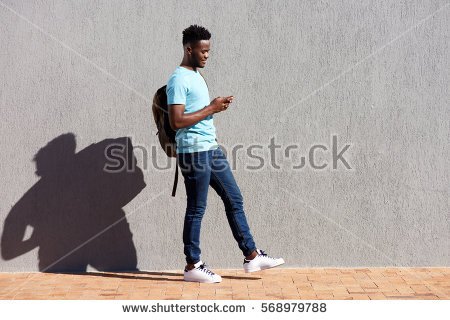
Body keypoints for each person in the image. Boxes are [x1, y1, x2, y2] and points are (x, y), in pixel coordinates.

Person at [166, 25, 284, 283]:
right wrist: (211, 108)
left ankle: (251, 256)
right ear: (189, 49)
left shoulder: (195, 75)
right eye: (203, 50)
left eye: (209, 50)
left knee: (234, 198)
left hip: (211, 149)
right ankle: (192, 265)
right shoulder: (179, 79)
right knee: (197, 208)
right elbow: (176, 121)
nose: (207, 55)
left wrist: (214, 108)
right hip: (194, 152)